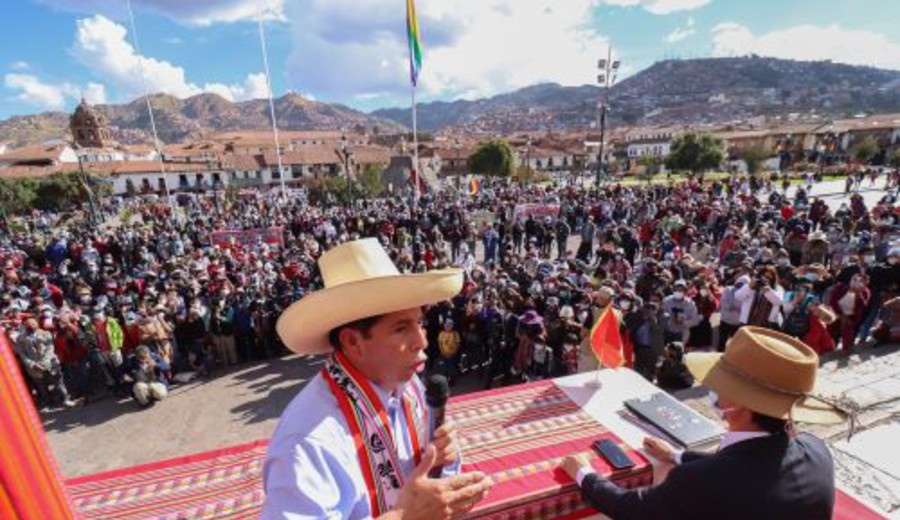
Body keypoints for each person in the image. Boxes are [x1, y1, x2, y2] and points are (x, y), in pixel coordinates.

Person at [261, 239, 491, 519]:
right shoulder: (307, 444)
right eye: (401, 328)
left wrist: (441, 460)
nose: (422, 340)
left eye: (419, 322)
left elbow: (422, 479)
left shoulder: (408, 384)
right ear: (353, 342)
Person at [561, 326, 844, 520]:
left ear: (739, 404)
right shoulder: (817, 451)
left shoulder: (702, 481)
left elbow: (631, 509)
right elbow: (747, 465)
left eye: (722, 384)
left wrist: (584, 474)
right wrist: (675, 455)